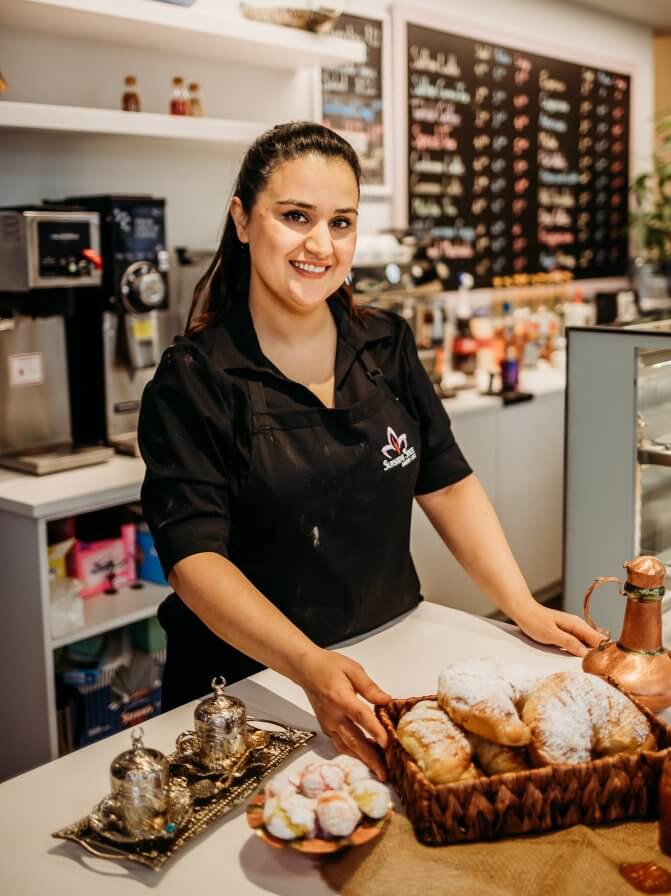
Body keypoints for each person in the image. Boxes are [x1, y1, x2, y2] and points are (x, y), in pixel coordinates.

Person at [139, 122, 603, 780]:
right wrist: (305, 665)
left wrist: (522, 606)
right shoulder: (194, 379)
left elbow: (445, 483)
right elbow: (193, 561)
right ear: (242, 220)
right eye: (294, 216)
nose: (319, 245)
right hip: (244, 690)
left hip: (388, 652)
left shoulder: (383, 343)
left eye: (340, 223)